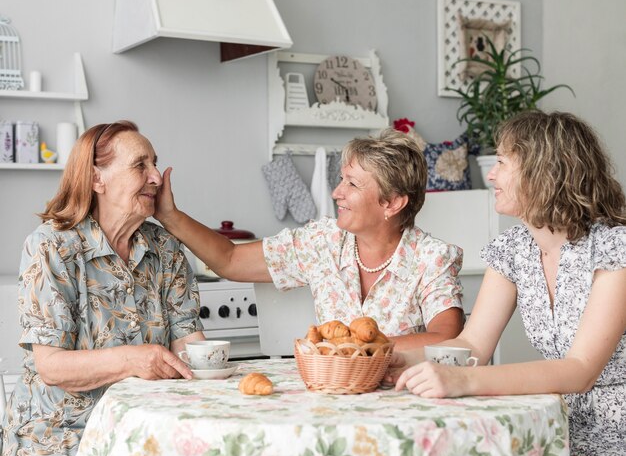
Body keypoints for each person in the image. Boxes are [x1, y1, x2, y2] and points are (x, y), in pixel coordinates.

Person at [390, 111, 626, 456]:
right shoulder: (513, 248)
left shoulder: (614, 247)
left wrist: (463, 379)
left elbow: (580, 370)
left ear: (545, 170)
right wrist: (391, 360)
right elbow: (472, 346)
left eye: (501, 161)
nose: (491, 174)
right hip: (560, 426)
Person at [1, 121, 205, 456]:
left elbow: (189, 344)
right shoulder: (52, 247)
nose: (156, 176)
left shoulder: (165, 249)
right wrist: (135, 360)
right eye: (141, 165)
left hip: (144, 431)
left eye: (155, 163)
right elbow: (50, 366)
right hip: (62, 438)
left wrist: (212, 367)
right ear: (98, 179)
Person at [155, 128, 465, 350]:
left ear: (392, 203)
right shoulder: (323, 240)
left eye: (352, 184)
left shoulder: (431, 257)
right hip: (331, 395)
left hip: (402, 402)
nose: (336, 192)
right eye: (341, 179)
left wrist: (362, 350)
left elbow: (447, 338)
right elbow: (230, 260)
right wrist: (170, 215)